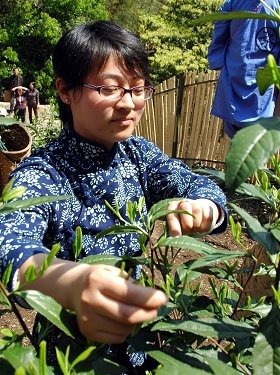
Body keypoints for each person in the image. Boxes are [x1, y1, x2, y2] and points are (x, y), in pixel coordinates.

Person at [0, 20, 227, 347]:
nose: (128, 103)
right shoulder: (43, 172)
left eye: (138, 88)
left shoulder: (139, 154)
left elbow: (197, 186)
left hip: (143, 351)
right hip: (71, 373)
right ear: (65, 90)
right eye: (109, 89)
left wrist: (204, 207)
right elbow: (9, 244)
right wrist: (71, 282)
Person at [208, 0, 280, 138]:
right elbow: (218, 40)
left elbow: (218, 42)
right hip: (238, 86)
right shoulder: (232, 4)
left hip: (259, 88)